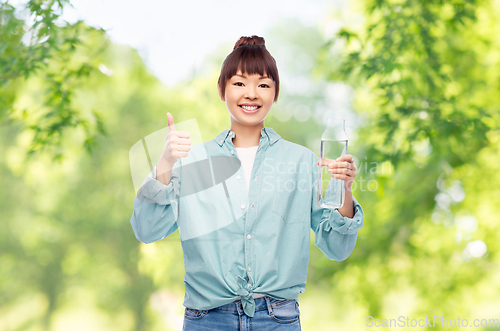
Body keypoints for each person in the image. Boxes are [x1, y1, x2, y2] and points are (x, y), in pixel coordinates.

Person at [130, 35, 364, 331]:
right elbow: (147, 229)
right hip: (207, 319)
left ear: (275, 94)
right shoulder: (194, 162)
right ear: (221, 89)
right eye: (239, 83)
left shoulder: (301, 162)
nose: (251, 94)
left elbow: (337, 247)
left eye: (263, 85)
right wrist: (165, 162)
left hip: (278, 319)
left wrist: (344, 187)